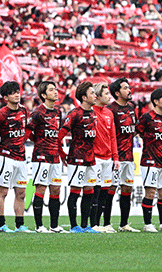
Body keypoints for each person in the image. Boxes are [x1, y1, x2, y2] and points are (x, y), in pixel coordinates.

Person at [58, 81, 99, 233]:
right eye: (92, 93)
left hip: (90, 159)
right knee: (75, 191)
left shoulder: (93, 113)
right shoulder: (75, 113)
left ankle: (84, 225)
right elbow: (59, 135)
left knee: (89, 190)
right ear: (84, 97)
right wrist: (62, 154)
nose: (95, 95)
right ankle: (74, 226)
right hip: (77, 158)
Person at [136, 88, 162, 232]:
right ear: (156, 101)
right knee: (150, 192)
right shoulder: (147, 117)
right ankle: (148, 224)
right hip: (149, 160)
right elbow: (137, 132)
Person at [0, 80, 30, 233]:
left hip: (21, 157)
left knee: (21, 193)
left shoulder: (24, 111)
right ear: (6, 97)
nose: (17, 95)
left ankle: (19, 225)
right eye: (13, 93)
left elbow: (27, 130)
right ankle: (2, 224)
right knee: (3, 191)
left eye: (17, 92)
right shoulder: (1, 114)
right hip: (6, 157)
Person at [28, 80, 65, 233]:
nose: (55, 92)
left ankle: (54, 226)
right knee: (41, 188)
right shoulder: (37, 113)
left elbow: (57, 136)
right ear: (43, 95)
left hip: (55, 157)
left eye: (55, 89)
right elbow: (27, 131)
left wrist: (62, 154)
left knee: (56, 189)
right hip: (41, 156)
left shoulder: (58, 112)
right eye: (51, 90)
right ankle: (39, 226)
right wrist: (38, 141)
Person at [108, 77, 139, 233]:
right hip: (115, 158)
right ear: (117, 93)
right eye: (125, 88)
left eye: (129, 87)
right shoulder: (111, 109)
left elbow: (135, 130)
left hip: (129, 157)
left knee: (127, 189)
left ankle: (124, 224)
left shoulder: (131, 108)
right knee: (111, 189)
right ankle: (106, 223)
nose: (129, 90)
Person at [89, 82, 118, 233]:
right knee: (96, 191)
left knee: (105, 192)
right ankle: (93, 224)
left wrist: (115, 157)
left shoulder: (109, 113)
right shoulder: (91, 112)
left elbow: (113, 137)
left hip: (108, 159)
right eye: (106, 94)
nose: (109, 96)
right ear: (98, 96)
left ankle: (101, 224)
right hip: (95, 158)